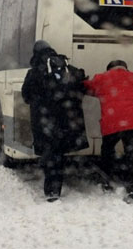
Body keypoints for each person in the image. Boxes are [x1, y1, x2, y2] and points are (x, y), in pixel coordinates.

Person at [21, 40, 89, 202]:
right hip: (65, 120)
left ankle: (51, 190)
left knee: (49, 154)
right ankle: (56, 187)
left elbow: (26, 96)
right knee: (58, 153)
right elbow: (81, 89)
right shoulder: (66, 68)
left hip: (44, 121)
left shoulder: (35, 72)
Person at [83, 60, 133, 202]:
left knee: (107, 152)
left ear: (109, 69)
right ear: (125, 68)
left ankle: (107, 182)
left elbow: (87, 87)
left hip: (112, 122)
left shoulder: (101, 78)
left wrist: (81, 78)